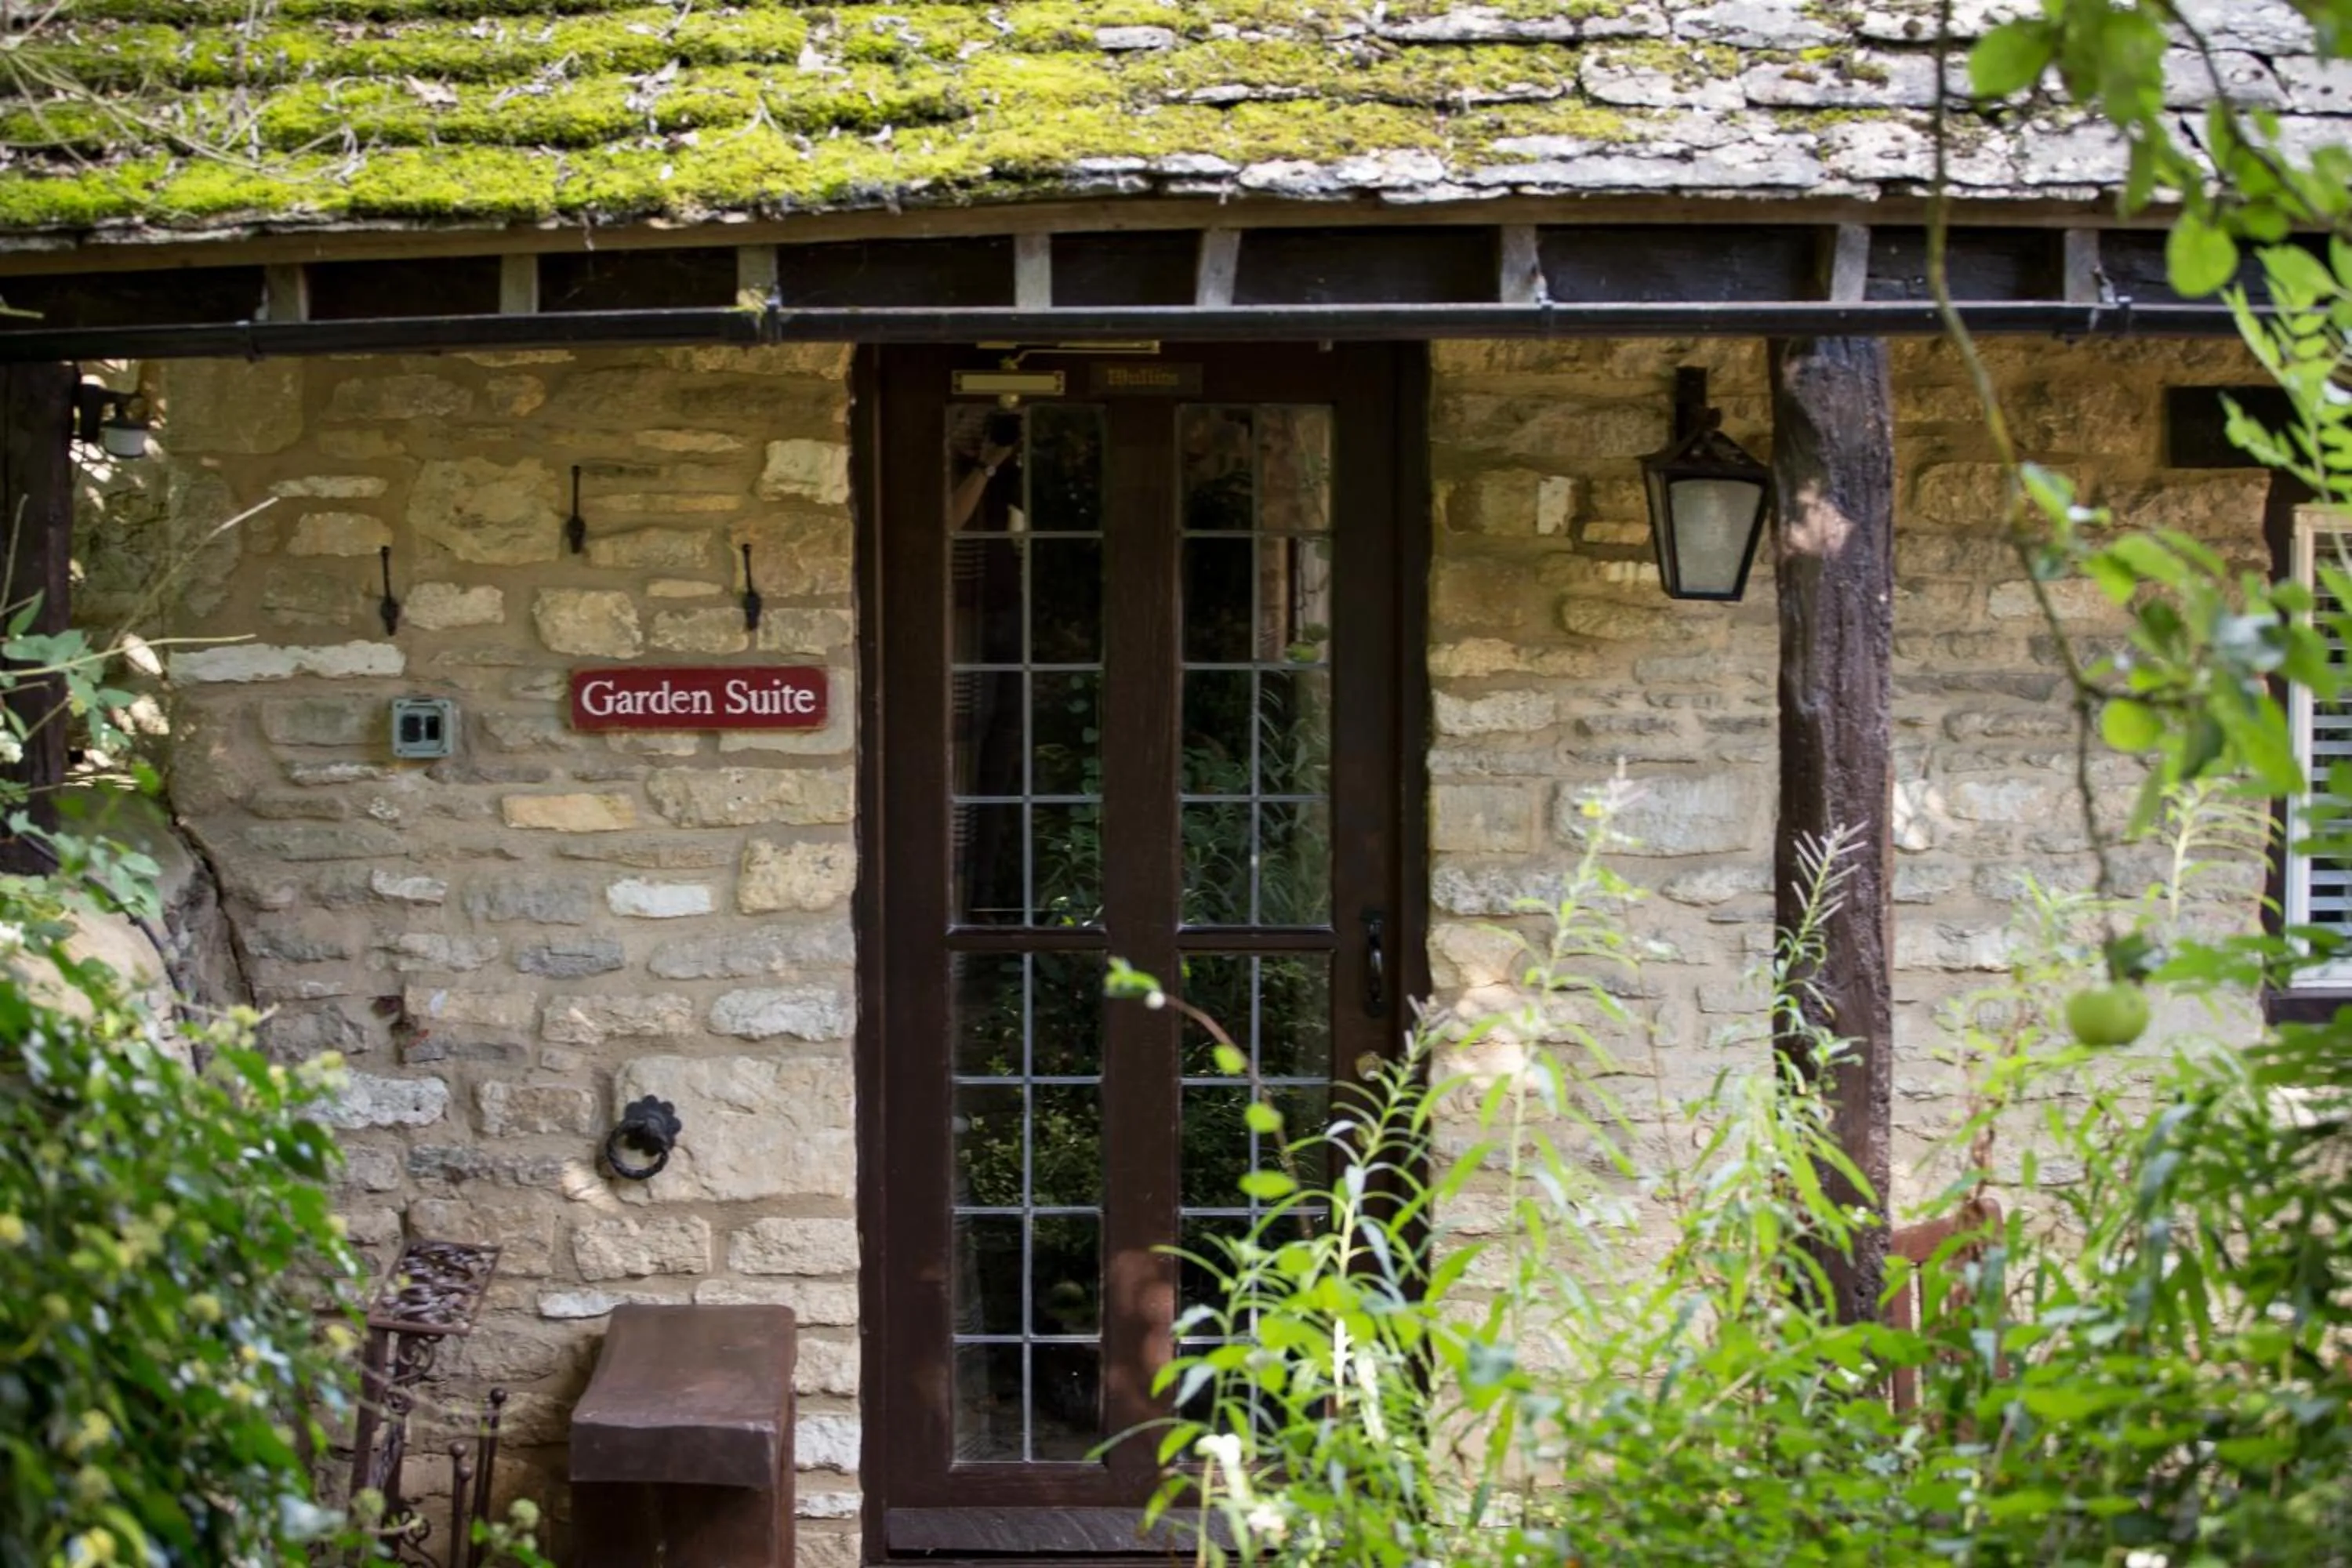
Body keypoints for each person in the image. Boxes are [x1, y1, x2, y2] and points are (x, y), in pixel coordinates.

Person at [949, 408, 1024, 531]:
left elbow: (1036, 508)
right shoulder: (949, 463)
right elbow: (947, 523)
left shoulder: (1008, 469)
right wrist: (986, 466)